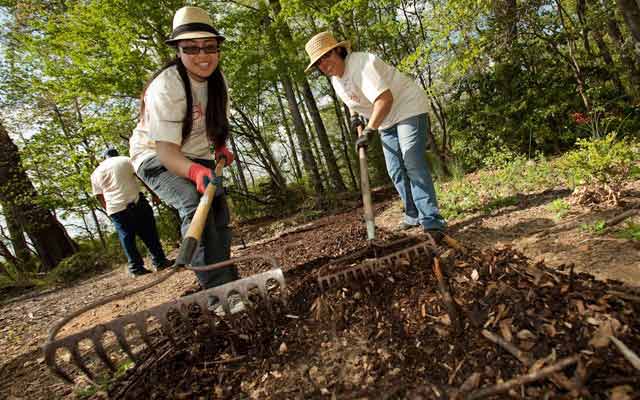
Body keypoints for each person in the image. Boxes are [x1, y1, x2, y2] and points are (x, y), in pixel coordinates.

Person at [129, 5, 238, 290]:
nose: (202, 56)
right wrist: (194, 172)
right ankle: (217, 293)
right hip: (154, 156)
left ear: (218, 49)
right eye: (191, 48)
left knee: (217, 209)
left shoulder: (218, 82)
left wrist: (220, 148)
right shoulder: (167, 87)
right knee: (192, 201)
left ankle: (226, 280)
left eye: (209, 47)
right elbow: (166, 152)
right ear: (178, 50)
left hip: (195, 155)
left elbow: (215, 125)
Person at [304, 32, 446, 240]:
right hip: (384, 120)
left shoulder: (362, 64)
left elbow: (385, 99)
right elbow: (352, 99)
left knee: (412, 161)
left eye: (326, 56)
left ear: (338, 50)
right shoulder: (336, 79)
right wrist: (355, 118)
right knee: (395, 169)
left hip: (406, 106)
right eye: (318, 63)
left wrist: (369, 130)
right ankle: (412, 215)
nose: (323, 65)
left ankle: (432, 221)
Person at [91, 148, 173, 276]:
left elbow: (99, 195)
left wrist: (108, 210)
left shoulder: (96, 172)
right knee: (149, 232)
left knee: (127, 239)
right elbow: (142, 177)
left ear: (104, 158)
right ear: (116, 154)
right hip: (136, 203)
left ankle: (136, 269)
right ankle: (160, 261)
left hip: (115, 209)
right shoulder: (126, 160)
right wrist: (154, 194)